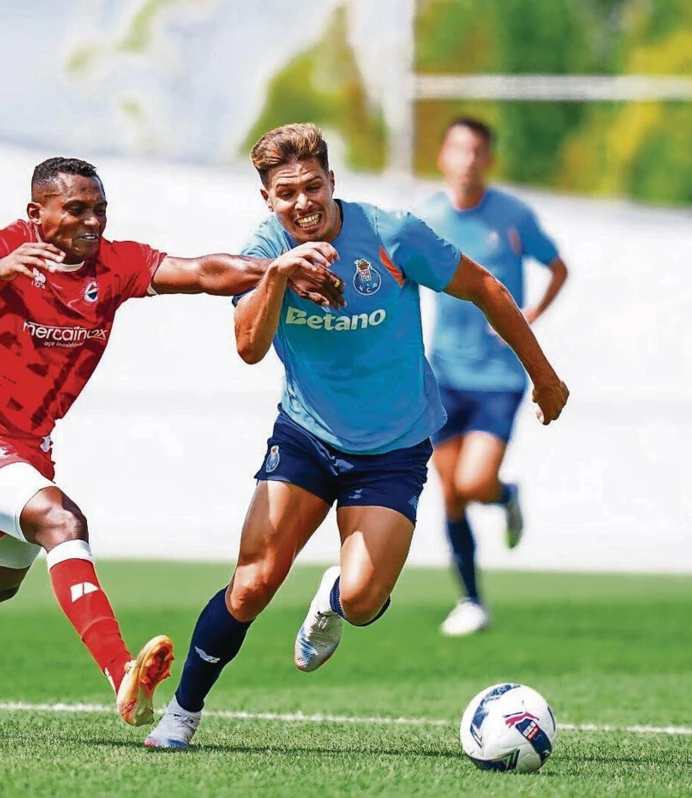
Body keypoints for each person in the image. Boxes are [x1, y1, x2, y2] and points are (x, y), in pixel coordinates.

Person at [0, 156, 343, 733]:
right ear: (37, 213)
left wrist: (277, 270)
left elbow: (202, 271)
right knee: (63, 522)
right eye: (76, 209)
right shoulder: (2, 245)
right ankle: (121, 673)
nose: (92, 221)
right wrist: (1, 268)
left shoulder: (114, 263)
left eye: (100, 209)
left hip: (28, 453)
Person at [144, 123, 569, 749]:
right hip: (307, 437)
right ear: (267, 200)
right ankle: (181, 713)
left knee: (365, 601)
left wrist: (545, 376)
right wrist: (279, 276)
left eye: (312, 186)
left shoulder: (391, 234)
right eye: (286, 193)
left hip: (393, 449)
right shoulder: (262, 250)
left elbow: (486, 288)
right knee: (255, 581)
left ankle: (334, 600)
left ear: (332, 182)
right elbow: (247, 349)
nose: (302, 203)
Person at [413, 117, 570, 637]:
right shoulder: (427, 218)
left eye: (478, 150)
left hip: (499, 376)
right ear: (443, 157)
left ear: (489, 160)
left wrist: (531, 317)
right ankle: (471, 601)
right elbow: (397, 275)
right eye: (459, 149)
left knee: (475, 481)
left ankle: (505, 496)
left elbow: (558, 267)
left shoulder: (511, 216)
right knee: (451, 492)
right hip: (443, 373)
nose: (468, 160)